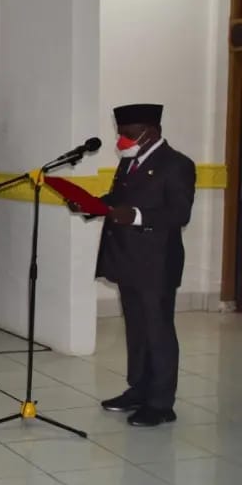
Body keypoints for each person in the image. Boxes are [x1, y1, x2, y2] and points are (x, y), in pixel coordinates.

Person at [89, 104, 196, 427]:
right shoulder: (130, 162)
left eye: (128, 134)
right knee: (136, 329)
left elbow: (179, 214)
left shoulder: (177, 164)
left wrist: (136, 216)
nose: (121, 140)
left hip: (156, 263)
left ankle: (161, 403)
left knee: (158, 331)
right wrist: (94, 205)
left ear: (151, 132)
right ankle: (139, 389)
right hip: (127, 259)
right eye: (120, 132)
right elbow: (117, 198)